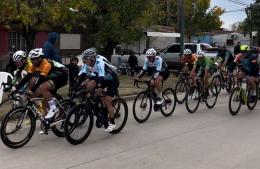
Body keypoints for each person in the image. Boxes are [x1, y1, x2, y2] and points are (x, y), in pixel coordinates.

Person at [11, 48, 68, 124]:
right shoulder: (34, 65)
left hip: (61, 76)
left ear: (40, 58)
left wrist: (31, 90)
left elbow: (40, 80)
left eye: (34, 59)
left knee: (42, 87)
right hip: (52, 76)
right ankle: (47, 122)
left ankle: (53, 107)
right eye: (31, 59)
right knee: (42, 97)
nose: (32, 61)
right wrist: (16, 88)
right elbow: (26, 78)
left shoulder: (46, 64)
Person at [81, 48, 119, 132]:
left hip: (112, 81)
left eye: (85, 59)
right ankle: (102, 109)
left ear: (92, 58)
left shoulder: (100, 63)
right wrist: (84, 83)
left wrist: (99, 87)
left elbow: (101, 78)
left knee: (107, 101)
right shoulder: (91, 65)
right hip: (104, 80)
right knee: (89, 89)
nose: (84, 61)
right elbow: (93, 76)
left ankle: (112, 123)